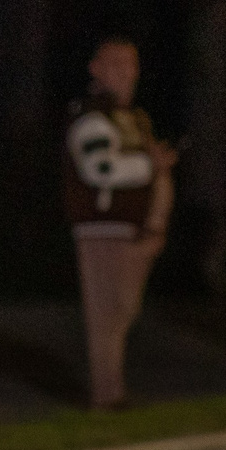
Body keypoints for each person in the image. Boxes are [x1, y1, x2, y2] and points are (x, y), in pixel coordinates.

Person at [62, 37, 176, 409]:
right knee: (106, 311)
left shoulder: (136, 119)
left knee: (125, 308)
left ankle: (113, 389)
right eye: (116, 64)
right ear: (96, 69)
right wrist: (148, 166)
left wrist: (156, 220)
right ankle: (107, 395)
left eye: (132, 65)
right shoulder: (91, 115)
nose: (127, 73)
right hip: (101, 228)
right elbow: (100, 169)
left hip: (135, 230)